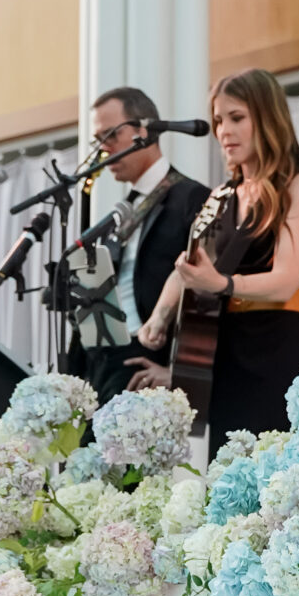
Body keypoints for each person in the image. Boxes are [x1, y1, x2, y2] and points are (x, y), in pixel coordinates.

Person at [139, 69, 299, 439]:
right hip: (226, 355)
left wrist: (224, 283)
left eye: (236, 118)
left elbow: (285, 281)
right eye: (218, 121)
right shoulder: (221, 196)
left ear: (268, 117)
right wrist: (159, 318)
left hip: (278, 349)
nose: (224, 131)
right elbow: (187, 267)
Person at [67, 86, 212, 406]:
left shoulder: (193, 198)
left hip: (145, 359)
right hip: (102, 358)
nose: (103, 149)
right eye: (97, 140)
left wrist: (180, 370)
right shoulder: (122, 210)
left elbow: (205, 292)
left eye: (111, 135)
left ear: (143, 131)